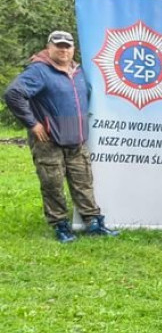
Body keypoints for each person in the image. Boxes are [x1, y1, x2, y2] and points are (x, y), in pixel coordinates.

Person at [4, 30, 119, 241]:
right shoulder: (39, 71)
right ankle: (60, 226)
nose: (63, 49)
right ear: (49, 47)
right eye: (58, 45)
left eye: (67, 46)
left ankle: (93, 222)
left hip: (76, 139)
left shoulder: (79, 71)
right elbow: (13, 93)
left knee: (83, 182)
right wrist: (33, 123)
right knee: (52, 184)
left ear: (73, 49)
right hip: (49, 140)